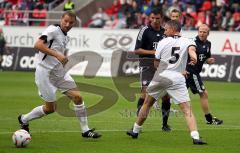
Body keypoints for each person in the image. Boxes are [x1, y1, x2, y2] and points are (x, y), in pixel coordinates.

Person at [17, 11, 101, 139]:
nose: (67, 24)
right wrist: (57, 54)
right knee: (50, 108)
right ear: (61, 19)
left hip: (58, 72)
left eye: (71, 22)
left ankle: (85, 130)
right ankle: (24, 119)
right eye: (65, 21)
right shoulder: (52, 30)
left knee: (78, 97)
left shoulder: (65, 36)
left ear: (74, 23)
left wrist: (61, 58)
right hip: (44, 73)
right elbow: (37, 45)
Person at [127, 20, 207, 145]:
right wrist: (194, 58)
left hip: (161, 76)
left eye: (166, 29)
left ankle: (135, 130)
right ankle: (195, 137)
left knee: (147, 103)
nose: (164, 31)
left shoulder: (162, 42)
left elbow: (156, 63)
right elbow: (192, 51)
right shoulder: (188, 41)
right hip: (177, 78)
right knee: (187, 109)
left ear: (172, 29)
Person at [133, 9, 171, 132]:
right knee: (145, 93)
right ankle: (137, 125)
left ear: (161, 19)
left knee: (166, 97)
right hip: (147, 64)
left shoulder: (165, 32)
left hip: (162, 66)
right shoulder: (144, 30)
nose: (155, 20)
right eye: (153, 18)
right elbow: (137, 50)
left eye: (157, 18)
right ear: (150, 18)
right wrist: (155, 52)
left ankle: (165, 124)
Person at [185, 24, 223, 125]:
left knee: (176, 92)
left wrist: (208, 60)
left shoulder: (208, 44)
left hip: (192, 72)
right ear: (198, 32)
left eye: (204, 32)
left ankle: (155, 99)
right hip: (191, 71)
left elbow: (206, 58)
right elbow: (190, 51)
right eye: (200, 31)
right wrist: (193, 58)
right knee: (203, 93)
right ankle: (209, 119)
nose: (202, 33)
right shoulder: (193, 42)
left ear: (208, 33)